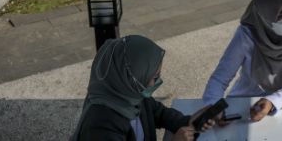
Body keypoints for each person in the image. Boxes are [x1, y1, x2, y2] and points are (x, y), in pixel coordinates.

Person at [71, 35, 216, 141]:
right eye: (154, 78)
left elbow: (159, 113)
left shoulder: (132, 95)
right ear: (132, 79)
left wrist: (190, 121)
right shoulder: (100, 125)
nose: (158, 82)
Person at [202, 0, 282, 123]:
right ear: (265, 17)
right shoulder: (247, 34)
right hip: (242, 104)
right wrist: (214, 109)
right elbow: (219, 79)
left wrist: (272, 101)